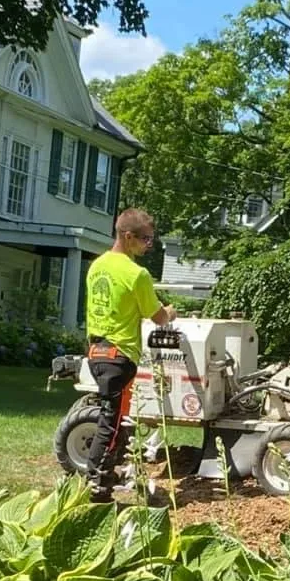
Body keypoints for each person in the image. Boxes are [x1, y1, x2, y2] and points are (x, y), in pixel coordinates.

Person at [84, 208, 176, 502]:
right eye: (145, 239)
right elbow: (158, 317)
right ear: (127, 236)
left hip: (96, 352)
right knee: (111, 425)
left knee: (117, 420)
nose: (150, 245)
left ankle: (109, 476)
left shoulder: (97, 266)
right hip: (119, 356)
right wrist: (170, 312)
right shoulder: (137, 274)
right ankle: (96, 487)